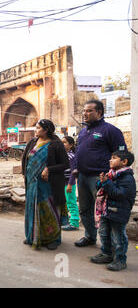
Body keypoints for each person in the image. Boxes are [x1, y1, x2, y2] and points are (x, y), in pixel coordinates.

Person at [74, 99, 127, 247]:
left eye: (89, 111)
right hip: (83, 177)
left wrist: (112, 175)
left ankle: (108, 247)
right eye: (84, 110)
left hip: (100, 178)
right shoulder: (84, 131)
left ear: (99, 112)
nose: (85, 113)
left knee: (104, 213)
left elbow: (122, 155)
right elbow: (79, 151)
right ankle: (90, 237)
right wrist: (77, 168)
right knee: (84, 209)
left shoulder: (110, 130)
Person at [22, 119, 69, 250]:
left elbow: (65, 164)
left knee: (49, 211)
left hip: (49, 185)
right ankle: (33, 236)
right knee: (33, 209)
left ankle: (53, 239)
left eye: (38, 128)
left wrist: (49, 169)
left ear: (46, 130)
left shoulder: (56, 144)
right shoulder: (32, 142)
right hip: (32, 183)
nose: (35, 130)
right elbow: (26, 161)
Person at [90, 150, 136, 271]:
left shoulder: (127, 178)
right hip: (106, 210)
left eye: (114, 158)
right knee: (104, 233)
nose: (110, 160)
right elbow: (101, 188)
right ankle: (106, 254)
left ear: (124, 162)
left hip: (118, 212)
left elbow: (119, 194)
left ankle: (120, 260)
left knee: (118, 237)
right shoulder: (111, 174)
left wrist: (106, 182)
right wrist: (101, 181)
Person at [61, 136, 80, 231]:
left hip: (69, 183)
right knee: (65, 202)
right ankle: (67, 221)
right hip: (63, 182)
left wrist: (70, 184)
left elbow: (74, 172)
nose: (62, 144)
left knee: (71, 202)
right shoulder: (63, 155)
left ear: (71, 145)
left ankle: (74, 223)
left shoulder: (71, 156)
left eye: (64, 142)